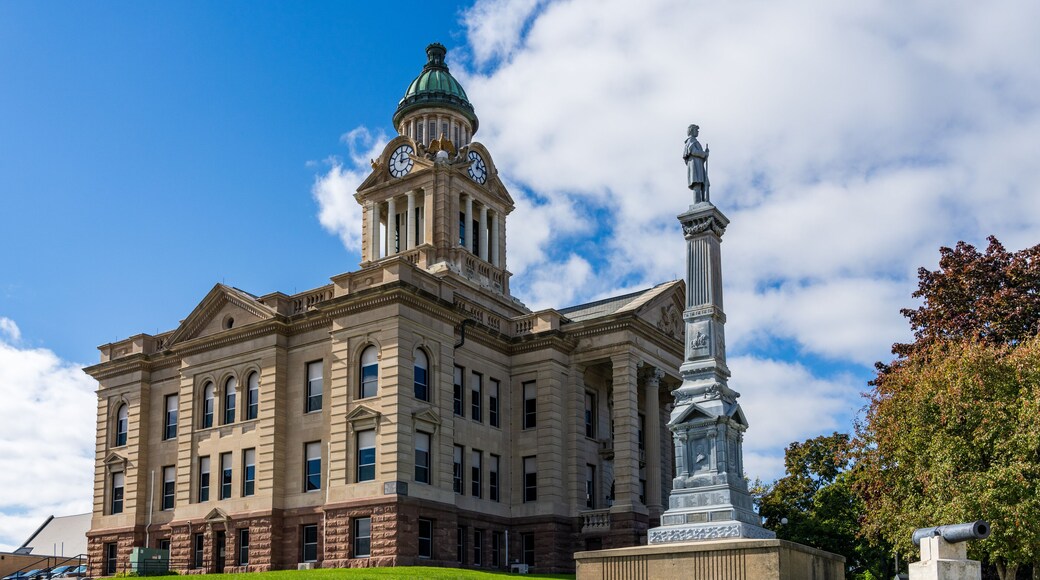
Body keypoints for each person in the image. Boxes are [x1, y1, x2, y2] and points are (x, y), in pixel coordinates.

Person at [683, 124, 710, 203]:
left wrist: (705, 154)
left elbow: (699, 156)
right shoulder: (691, 140)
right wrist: (704, 154)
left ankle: (704, 201)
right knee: (697, 184)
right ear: (692, 130)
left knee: (704, 184)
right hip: (695, 165)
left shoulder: (694, 140)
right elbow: (693, 151)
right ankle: (697, 203)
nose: (698, 132)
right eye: (696, 130)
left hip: (698, 164)